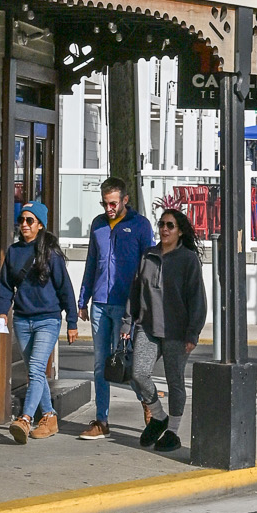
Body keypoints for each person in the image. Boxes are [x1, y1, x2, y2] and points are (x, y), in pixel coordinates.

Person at [77, 175, 155, 441]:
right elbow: (91, 261)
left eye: (113, 204)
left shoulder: (140, 225)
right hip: (100, 303)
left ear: (125, 200)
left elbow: (149, 268)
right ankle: (102, 420)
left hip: (127, 305)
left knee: (127, 363)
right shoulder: (98, 225)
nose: (108, 209)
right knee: (101, 364)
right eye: (105, 204)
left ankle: (149, 403)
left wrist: (142, 306)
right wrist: (82, 299)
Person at [0, 201, 78, 443]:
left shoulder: (50, 254)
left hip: (47, 320)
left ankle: (25, 418)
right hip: (21, 320)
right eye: (21, 220)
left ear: (40, 225)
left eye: (29, 221)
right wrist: (2, 313)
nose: (24, 225)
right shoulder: (14, 251)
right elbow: (5, 285)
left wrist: (72, 322)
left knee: (35, 369)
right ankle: (50, 417)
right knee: (37, 372)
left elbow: (66, 290)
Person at [127, 208, 207, 453]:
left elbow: (197, 299)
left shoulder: (188, 260)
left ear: (180, 231)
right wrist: (126, 322)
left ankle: (172, 431)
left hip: (177, 331)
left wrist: (193, 333)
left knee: (175, 382)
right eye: (161, 224)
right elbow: (135, 291)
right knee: (138, 373)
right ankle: (158, 416)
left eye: (170, 225)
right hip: (148, 327)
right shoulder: (148, 256)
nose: (164, 229)